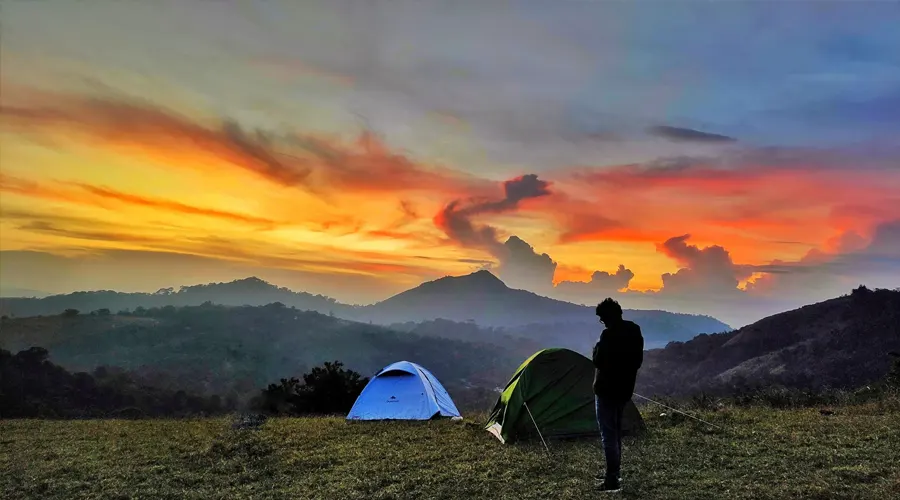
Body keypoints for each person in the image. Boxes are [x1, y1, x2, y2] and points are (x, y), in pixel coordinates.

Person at [592, 298, 644, 492]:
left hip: (606, 391)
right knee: (616, 431)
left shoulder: (607, 335)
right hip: (624, 390)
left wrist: (596, 348)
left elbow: (598, 360)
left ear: (608, 317)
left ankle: (612, 479)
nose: (602, 322)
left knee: (608, 435)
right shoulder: (634, 330)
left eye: (602, 318)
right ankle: (613, 471)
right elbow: (637, 361)